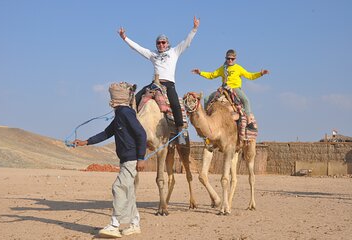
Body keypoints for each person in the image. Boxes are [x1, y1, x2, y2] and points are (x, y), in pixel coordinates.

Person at [72, 82, 147, 238]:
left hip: (131, 159)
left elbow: (141, 134)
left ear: (115, 99)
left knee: (119, 187)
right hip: (126, 159)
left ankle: (114, 224)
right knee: (129, 192)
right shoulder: (120, 114)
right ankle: (135, 224)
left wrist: (141, 158)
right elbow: (107, 133)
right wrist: (86, 142)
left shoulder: (126, 113)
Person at [118, 16, 200, 145]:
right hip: (155, 83)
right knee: (134, 99)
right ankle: (130, 126)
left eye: (163, 42)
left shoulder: (174, 52)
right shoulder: (153, 54)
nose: (161, 45)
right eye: (159, 43)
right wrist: (124, 38)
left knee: (175, 104)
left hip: (169, 84)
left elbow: (186, 42)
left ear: (167, 43)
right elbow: (137, 48)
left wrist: (194, 29)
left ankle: (180, 133)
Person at [191, 49, 269, 131]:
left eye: (232, 59)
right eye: (228, 58)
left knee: (246, 100)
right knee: (207, 99)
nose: (230, 60)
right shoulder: (223, 69)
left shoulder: (238, 68)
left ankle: (249, 122)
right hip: (223, 89)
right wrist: (200, 73)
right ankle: (207, 120)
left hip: (235, 89)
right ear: (226, 58)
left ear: (235, 59)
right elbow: (211, 75)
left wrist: (261, 74)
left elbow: (250, 76)